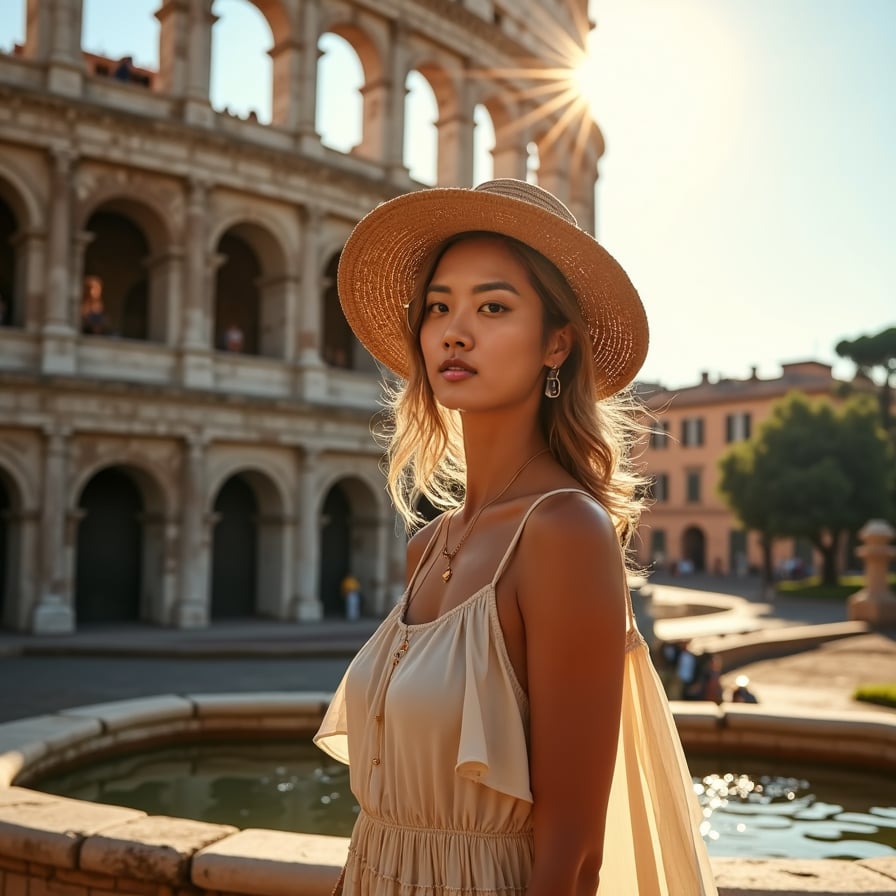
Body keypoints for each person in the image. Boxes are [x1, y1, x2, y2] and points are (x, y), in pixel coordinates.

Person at [314, 179, 717, 895]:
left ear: (556, 342)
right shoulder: (429, 542)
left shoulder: (564, 533)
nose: (453, 331)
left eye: (493, 307)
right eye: (439, 306)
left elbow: (573, 855)